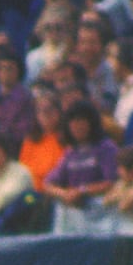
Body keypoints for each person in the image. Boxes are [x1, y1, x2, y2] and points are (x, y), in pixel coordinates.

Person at [43, 100, 120, 234]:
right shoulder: (70, 152)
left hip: (102, 217)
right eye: (72, 122)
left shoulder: (106, 148)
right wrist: (65, 194)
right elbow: (48, 184)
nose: (77, 126)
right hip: (74, 218)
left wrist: (82, 191)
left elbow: (111, 182)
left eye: (81, 120)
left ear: (91, 122)